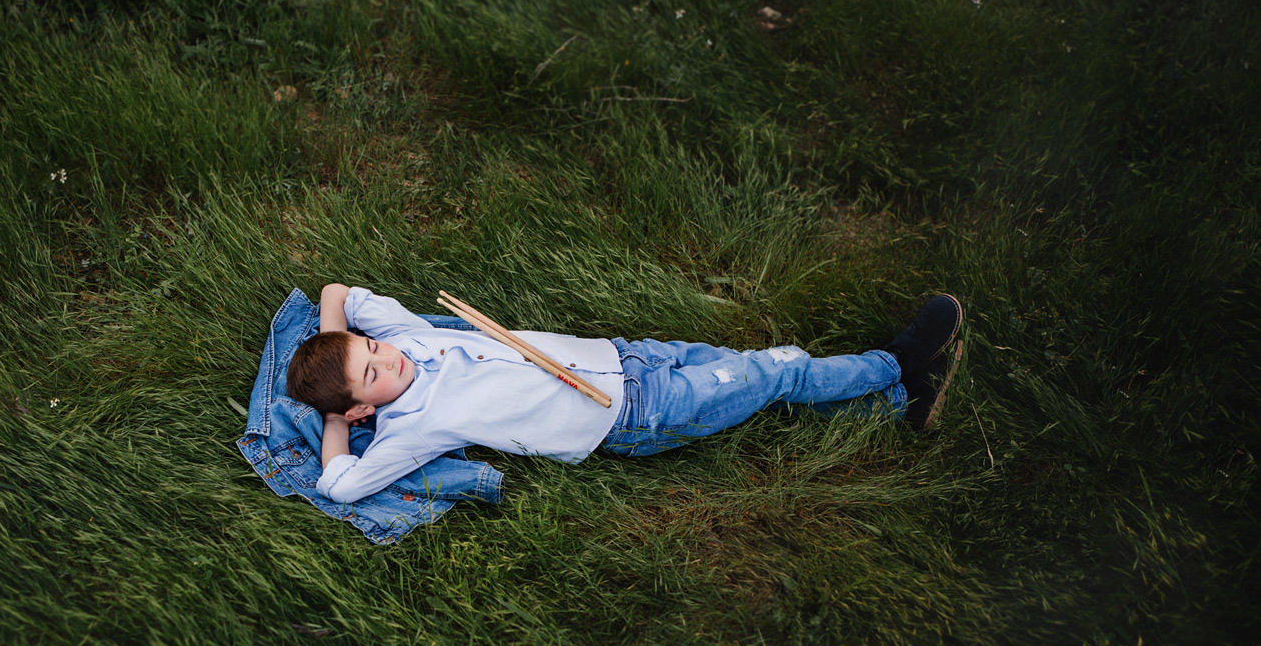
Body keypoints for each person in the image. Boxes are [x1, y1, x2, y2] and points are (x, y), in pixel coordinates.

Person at [287, 284, 963, 506]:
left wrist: (336, 342)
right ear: (362, 409)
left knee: (750, 373)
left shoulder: (405, 336)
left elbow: (341, 293)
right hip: (636, 416)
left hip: (626, 355)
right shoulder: (413, 429)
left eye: (373, 349)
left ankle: (896, 406)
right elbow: (339, 484)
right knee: (774, 372)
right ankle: (894, 361)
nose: (389, 357)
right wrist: (336, 418)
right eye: (373, 373)